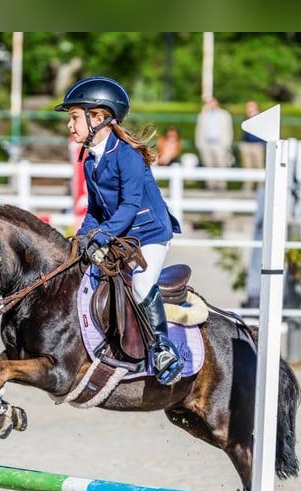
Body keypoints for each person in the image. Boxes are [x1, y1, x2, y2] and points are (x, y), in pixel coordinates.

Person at [54, 76, 185, 386]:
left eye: (74, 117)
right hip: (122, 234)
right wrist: (81, 239)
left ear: (98, 117)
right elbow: (96, 211)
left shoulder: (127, 155)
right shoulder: (89, 160)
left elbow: (128, 207)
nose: (70, 125)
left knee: (139, 286)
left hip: (150, 234)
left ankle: (162, 349)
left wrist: (101, 236)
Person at [194, 96, 234, 190]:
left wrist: (226, 144)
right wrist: (200, 144)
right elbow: (199, 130)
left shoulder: (224, 115)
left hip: (220, 144)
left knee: (221, 164)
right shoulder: (203, 115)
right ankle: (210, 185)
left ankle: (221, 185)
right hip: (206, 144)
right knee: (208, 165)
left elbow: (228, 130)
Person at [238, 100, 266, 191]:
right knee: (247, 167)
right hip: (247, 145)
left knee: (259, 166)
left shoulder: (261, 118)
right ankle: (247, 186)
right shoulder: (246, 117)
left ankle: (260, 186)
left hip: (257, 145)